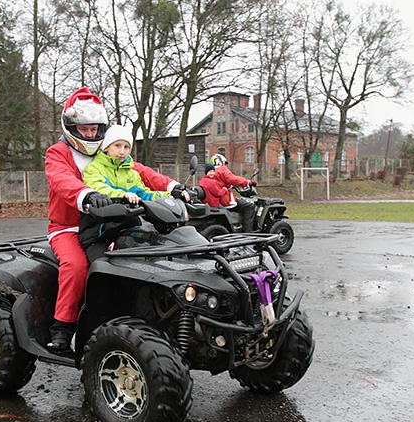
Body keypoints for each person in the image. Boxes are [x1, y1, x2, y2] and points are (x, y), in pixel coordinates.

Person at [44, 87, 184, 353]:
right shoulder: (57, 153)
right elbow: (62, 180)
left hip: (110, 224)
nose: (89, 134)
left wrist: (174, 187)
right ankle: (62, 328)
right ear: (71, 126)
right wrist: (87, 195)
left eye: (95, 129)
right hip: (68, 227)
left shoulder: (104, 152)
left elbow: (140, 172)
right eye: (83, 129)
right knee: (76, 267)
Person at [79, 123, 186, 260]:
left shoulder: (132, 173)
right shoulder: (94, 168)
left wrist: (170, 196)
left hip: (127, 229)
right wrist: (122, 195)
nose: (122, 151)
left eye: (126, 147)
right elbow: (97, 187)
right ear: (105, 146)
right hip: (99, 232)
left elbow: (144, 194)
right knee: (101, 268)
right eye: (117, 145)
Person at [198, 153, 257, 232]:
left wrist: (229, 186)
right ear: (220, 161)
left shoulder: (209, 173)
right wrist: (248, 182)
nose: (225, 165)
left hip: (214, 200)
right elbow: (233, 179)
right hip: (224, 199)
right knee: (249, 206)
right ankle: (248, 231)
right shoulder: (221, 169)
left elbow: (219, 183)